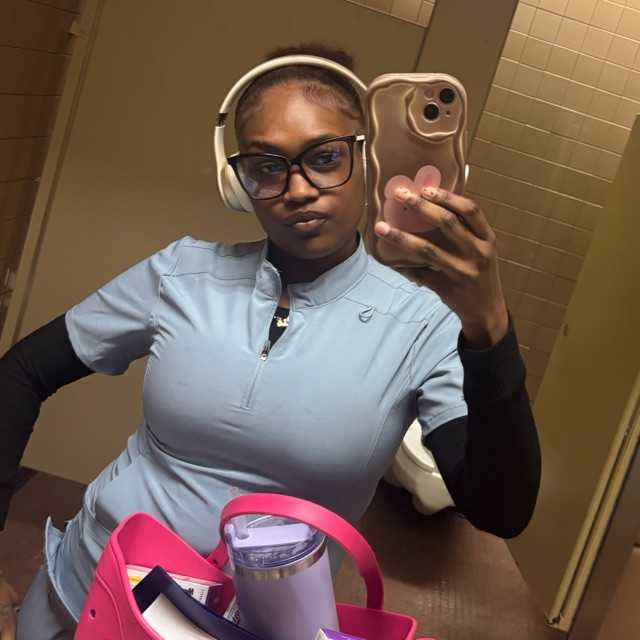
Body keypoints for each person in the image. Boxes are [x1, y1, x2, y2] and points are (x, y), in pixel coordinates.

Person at [0, 43, 540, 638]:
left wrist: (490, 329)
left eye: (325, 157)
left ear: (368, 160)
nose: (298, 189)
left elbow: (501, 509)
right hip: (83, 595)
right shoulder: (182, 272)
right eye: (266, 166)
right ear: (238, 182)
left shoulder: (425, 324)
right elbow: (22, 372)